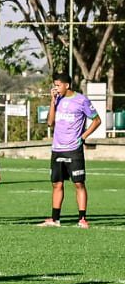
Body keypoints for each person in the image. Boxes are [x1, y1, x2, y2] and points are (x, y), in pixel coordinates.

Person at [39, 72, 101, 228]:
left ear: (67, 85)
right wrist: (53, 102)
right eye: (55, 85)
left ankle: (82, 219)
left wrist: (83, 137)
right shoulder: (57, 100)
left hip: (73, 149)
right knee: (57, 184)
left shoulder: (81, 100)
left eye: (58, 85)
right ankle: (55, 219)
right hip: (57, 148)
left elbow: (97, 120)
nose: (56, 88)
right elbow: (50, 123)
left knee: (78, 183)